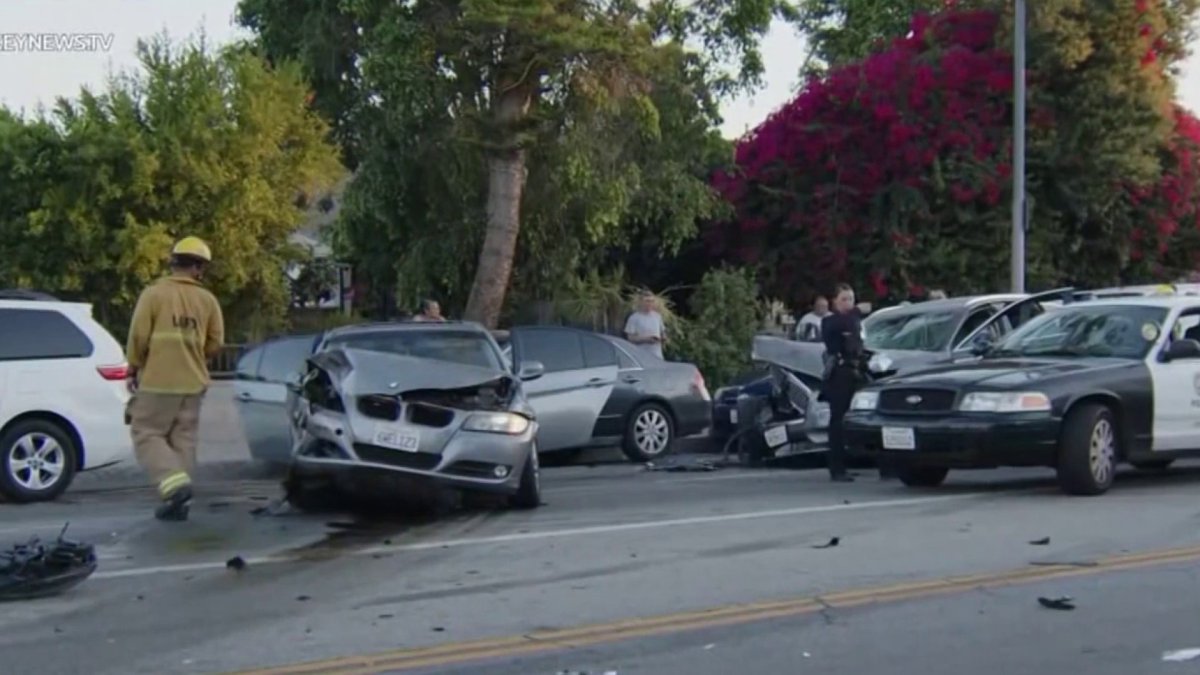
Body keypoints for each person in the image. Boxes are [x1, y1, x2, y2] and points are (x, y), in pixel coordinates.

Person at [125, 237, 225, 521]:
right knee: (184, 440)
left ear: (173, 263)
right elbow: (215, 342)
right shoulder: (208, 300)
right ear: (198, 268)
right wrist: (195, 357)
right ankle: (179, 504)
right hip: (193, 383)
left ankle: (174, 485)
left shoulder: (154, 294)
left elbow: (138, 337)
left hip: (158, 381)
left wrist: (133, 366)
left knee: (146, 433)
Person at [820, 283, 866, 483]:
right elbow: (842, 325)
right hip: (839, 374)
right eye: (844, 300)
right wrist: (856, 311)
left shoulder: (854, 321)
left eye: (851, 299)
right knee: (837, 421)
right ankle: (837, 468)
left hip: (855, 370)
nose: (848, 304)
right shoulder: (831, 321)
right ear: (835, 303)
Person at [624, 291, 667, 359]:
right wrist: (646, 339)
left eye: (652, 301)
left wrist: (663, 338)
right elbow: (630, 338)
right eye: (647, 301)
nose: (650, 303)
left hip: (657, 356)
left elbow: (662, 331)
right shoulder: (634, 318)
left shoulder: (657, 316)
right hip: (641, 357)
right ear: (641, 302)